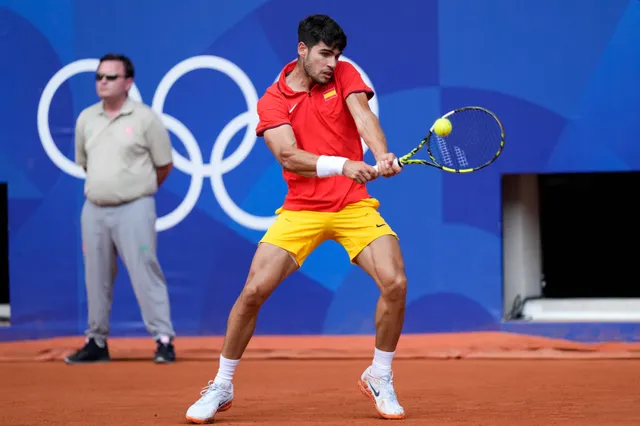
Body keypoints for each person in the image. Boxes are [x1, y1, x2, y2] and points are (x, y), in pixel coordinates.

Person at [185, 14, 408, 422]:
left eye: (337, 54)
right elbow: (288, 155)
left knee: (395, 282)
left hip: (352, 205)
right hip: (302, 210)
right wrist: (342, 164)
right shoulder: (272, 100)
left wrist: (380, 154)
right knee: (253, 291)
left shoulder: (344, 74)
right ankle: (221, 384)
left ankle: (380, 375)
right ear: (302, 50)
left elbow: (363, 117)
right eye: (324, 53)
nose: (332, 62)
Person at [65, 53, 177, 365]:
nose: (102, 82)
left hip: (135, 208)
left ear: (128, 82)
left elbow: (164, 164)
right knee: (94, 276)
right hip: (95, 209)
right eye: (99, 76)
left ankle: (163, 339)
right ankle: (96, 341)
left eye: (110, 77)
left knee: (145, 271)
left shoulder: (145, 118)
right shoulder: (86, 119)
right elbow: (85, 163)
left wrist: (136, 189)